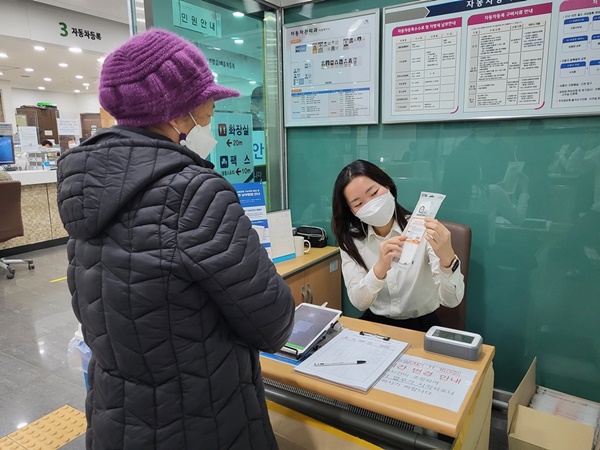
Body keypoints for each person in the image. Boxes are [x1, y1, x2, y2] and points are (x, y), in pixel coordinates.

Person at [56, 29, 295, 450]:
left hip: (118, 419)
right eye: (206, 106)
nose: (210, 116)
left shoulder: (88, 191)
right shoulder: (194, 192)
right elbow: (273, 323)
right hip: (204, 421)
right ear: (176, 114)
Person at [331, 160, 464, 332]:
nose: (371, 205)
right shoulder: (351, 240)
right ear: (352, 211)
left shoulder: (423, 229)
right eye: (358, 204)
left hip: (422, 327)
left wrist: (448, 259)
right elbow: (358, 302)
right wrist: (379, 269)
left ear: (388, 187)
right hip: (375, 326)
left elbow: (451, 300)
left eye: (374, 193)